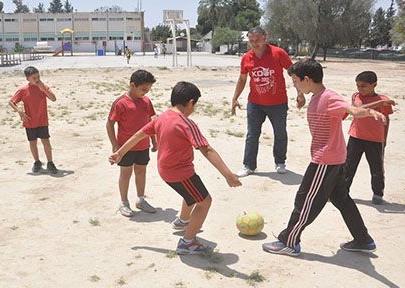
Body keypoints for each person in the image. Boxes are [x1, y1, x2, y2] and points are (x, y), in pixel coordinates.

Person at [262, 59, 385, 256]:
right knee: (341, 198)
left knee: (304, 201)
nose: (294, 85)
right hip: (335, 158)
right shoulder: (318, 96)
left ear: (307, 79)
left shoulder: (329, 97)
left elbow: (351, 109)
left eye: (296, 81)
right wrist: (301, 95)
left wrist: (368, 111)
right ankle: (363, 239)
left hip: (325, 160)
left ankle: (289, 241)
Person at [109, 81, 242, 255]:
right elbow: (206, 149)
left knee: (191, 195)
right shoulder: (187, 124)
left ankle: (182, 221)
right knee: (205, 201)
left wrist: (119, 152)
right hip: (179, 172)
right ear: (191, 102)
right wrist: (228, 175)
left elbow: (138, 135)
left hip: (166, 169)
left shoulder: (162, 117)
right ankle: (188, 242)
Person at [231, 26, 305, 177]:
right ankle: (249, 165)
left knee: (280, 133)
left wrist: (300, 93)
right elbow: (242, 79)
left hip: (278, 103)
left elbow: (293, 74)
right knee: (252, 134)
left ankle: (280, 162)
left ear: (265, 38)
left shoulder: (278, 53)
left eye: (257, 40)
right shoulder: (246, 58)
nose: (254, 43)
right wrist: (235, 98)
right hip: (255, 104)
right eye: (251, 41)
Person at [106, 70, 158, 217]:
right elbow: (110, 124)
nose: (146, 93)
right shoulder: (120, 103)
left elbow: (150, 122)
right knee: (126, 173)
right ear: (133, 85)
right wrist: (115, 145)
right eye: (143, 90)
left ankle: (141, 200)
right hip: (125, 147)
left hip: (143, 146)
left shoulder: (146, 102)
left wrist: (154, 140)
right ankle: (124, 202)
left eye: (148, 90)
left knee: (141, 172)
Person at [345, 71, 395, 205]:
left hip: (375, 139)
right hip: (356, 137)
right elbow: (359, 108)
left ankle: (378, 194)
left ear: (374, 85)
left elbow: (386, 120)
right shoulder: (356, 96)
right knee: (348, 166)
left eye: (363, 86)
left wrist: (384, 139)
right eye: (358, 86)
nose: (360, 89)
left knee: (377, 168)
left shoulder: (384, 100)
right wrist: (378, 103)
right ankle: (342, 191)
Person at [9, 66, 58, 174]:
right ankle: (37, 162)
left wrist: (44, 89)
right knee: (32, 142)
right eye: (34, 78)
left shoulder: (43, 87)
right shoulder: (23, 90)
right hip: (29, 121)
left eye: (38, 76)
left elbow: (53, 98)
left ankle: (50, 163)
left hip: (42, 120)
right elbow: (11, 102)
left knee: (46, 141)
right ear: (28, 79)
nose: (37, 79)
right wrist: (19, 110)